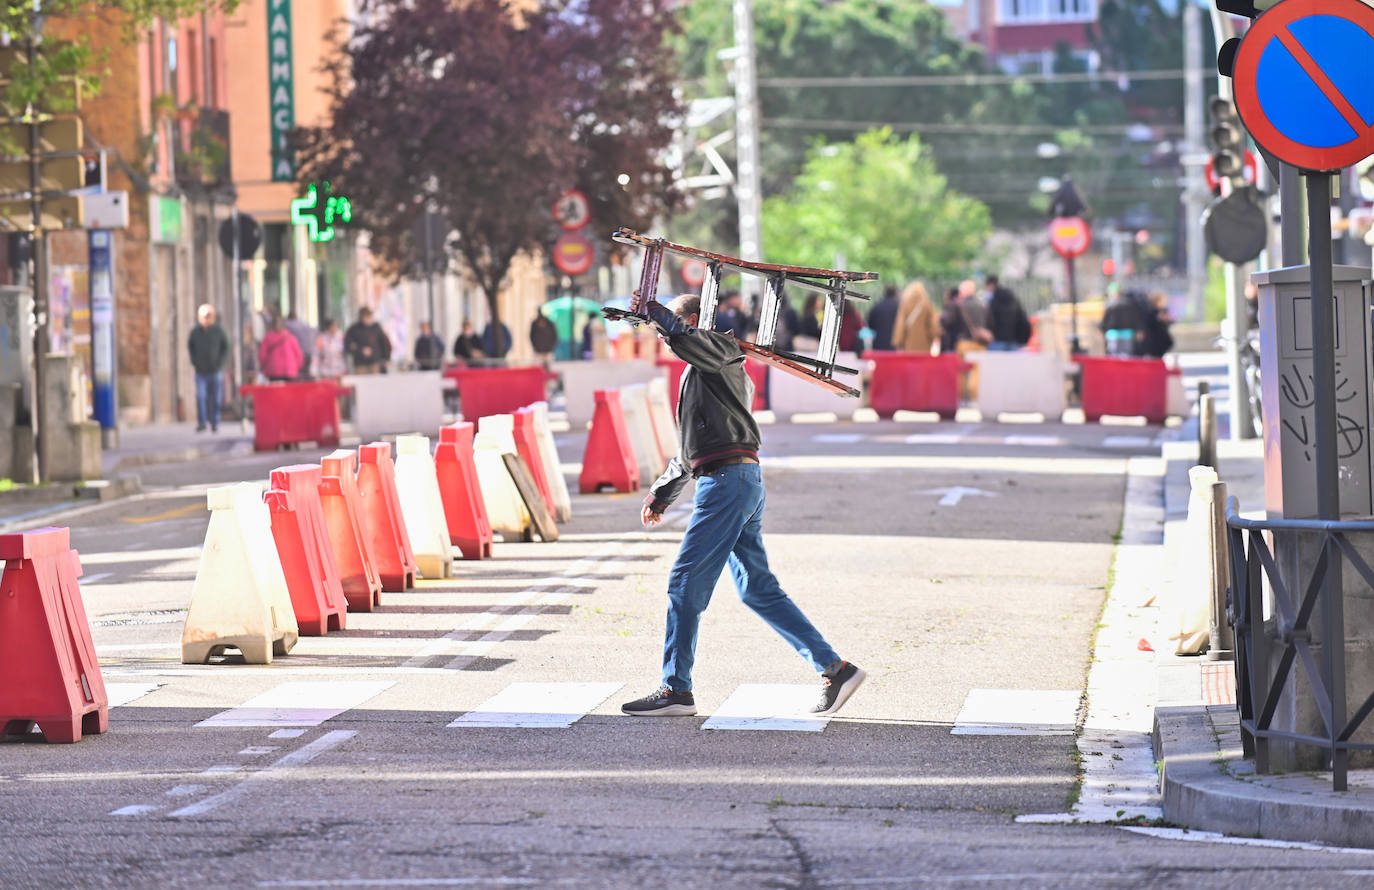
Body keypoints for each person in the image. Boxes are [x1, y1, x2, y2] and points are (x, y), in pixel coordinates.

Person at [621, 293, 866, 718]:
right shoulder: (706, 368)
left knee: (684, 584)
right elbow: (690, 449)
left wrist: (656, 314)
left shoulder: (720, 350)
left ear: (695, 320)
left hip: (727, 484)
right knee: (757, 589)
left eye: (678, 325)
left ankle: (676, 689)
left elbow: (683, 338)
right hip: (735, 482)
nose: (666, 338)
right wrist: (662, 493)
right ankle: (836, 669)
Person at [187, 303, 229, 433]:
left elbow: (226, 347)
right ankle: (202, 422)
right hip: (201, 371)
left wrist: (220, 363)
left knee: (215, 398)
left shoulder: (218, 330)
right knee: (201, 396)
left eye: (209, 316)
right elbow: (191, 347)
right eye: (204, 316)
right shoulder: (195, 332)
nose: (206, 319)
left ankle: (215, 422)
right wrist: (195, 362)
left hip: (215, 370)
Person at [984, 275, 1031, 352]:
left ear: (991, 285)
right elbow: (1023, 319)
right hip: (1014, 340)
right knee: (1013, 363)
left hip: (997, 340)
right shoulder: (1014, 300)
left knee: (995, 363)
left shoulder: (993, 302)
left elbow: (989, 320)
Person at [891, 282, 941, 354]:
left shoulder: (905, 305)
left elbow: (900, 326)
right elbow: (932, 327)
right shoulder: (927, 305)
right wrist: (934, 336)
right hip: (925, 346)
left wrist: (899, 342)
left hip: (908, 345)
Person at [1100, 285, 1143, 357]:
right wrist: (1139, 330)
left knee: (1114, 356)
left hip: (1113, 334)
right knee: (1127, 357)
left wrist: (1103, 330)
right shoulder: (1129, 304)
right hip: (1127, 334)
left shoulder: (1110, 304)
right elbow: (1135, 318)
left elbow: (1105, 320)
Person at [345, 307, 391, 373]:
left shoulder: (376, 327)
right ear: (362, 317)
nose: (369, 319)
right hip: (360, 364)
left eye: (370, 316)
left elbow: (384, 344)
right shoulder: (354, 329)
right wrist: (361, 351)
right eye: (366, 317)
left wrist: (386, 358)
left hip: (375, 363)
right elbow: (348, 345)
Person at [259, 315, 304, 382]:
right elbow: (298, 354)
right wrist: (298, 367)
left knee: (275, 391)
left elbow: (262, 355)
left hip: (273, 370)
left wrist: (264, 366)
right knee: (289, 391)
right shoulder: (291, 338)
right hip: (290, 370)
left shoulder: (268, 338)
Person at [1140, 292, 1175, 358]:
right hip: (1154, 338)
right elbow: (1148, 323)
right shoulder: (1150, 311)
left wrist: (1167, 319)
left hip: (1162, 337)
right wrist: (1157, 319)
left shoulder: (1163, 310)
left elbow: (1169, 322)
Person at [866, 284, 900, 351]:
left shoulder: (877, 306)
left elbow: (870, 324)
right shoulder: (898, 307)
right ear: (895, 293)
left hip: (878, 344)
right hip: (893, 345)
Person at [284, 311, 316, 379]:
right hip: (308, 351)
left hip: (298, 353)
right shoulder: (304, 324)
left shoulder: (287, 325)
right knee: (306, 374)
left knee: (298, 376)